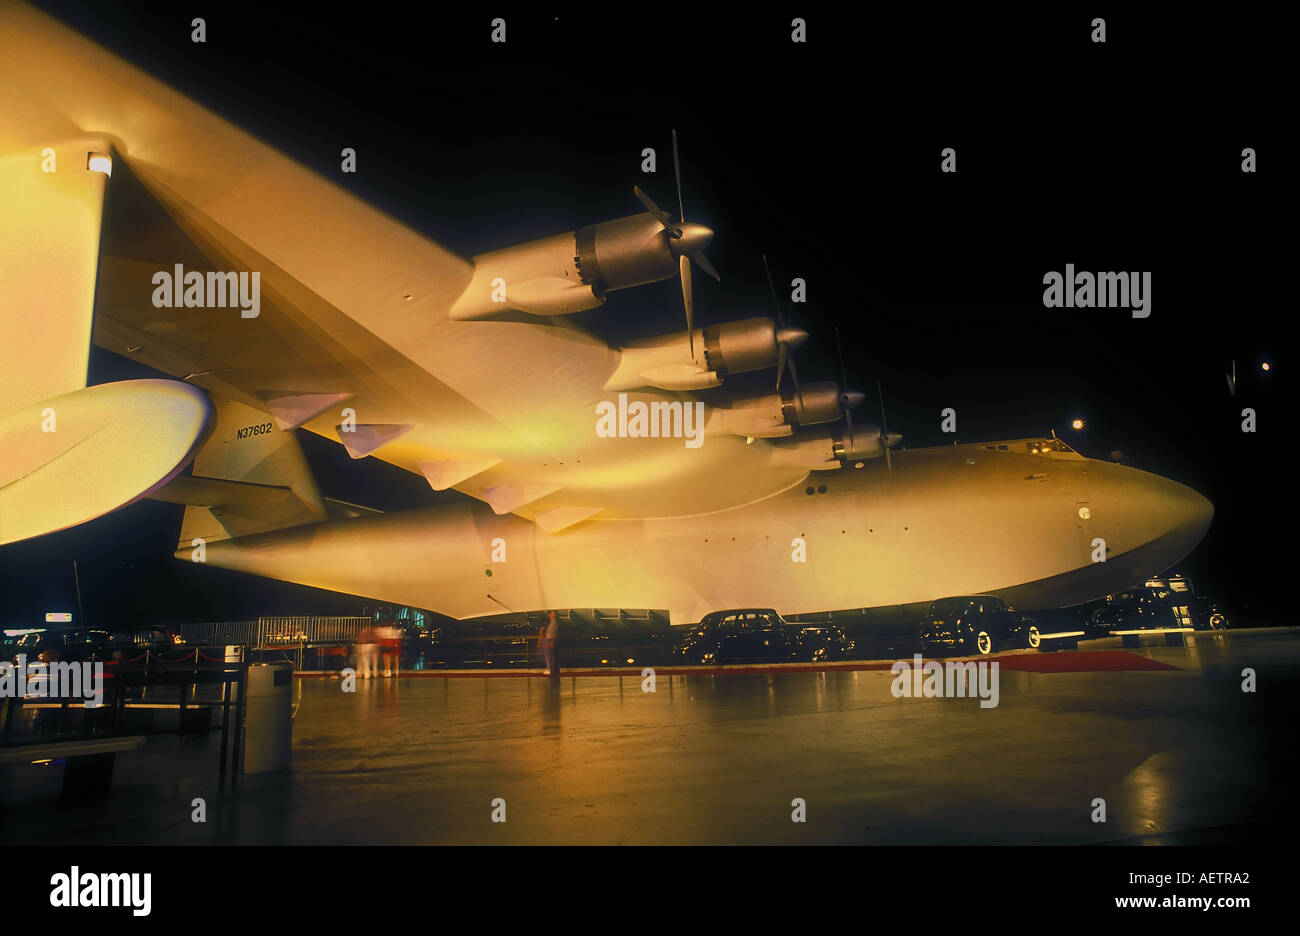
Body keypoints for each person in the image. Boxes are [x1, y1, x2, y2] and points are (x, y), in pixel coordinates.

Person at [541, 610, 559, 677]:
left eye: (552, 613)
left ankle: (553, 673)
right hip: (550, 640)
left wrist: (552, 641)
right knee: (552, 657)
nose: (550, 615)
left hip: (551, 640)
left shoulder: (554, 623)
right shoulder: (552, 622)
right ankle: (553, 672)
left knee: (552, 658)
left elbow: (554, 633)